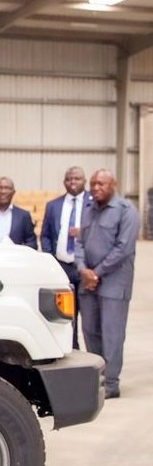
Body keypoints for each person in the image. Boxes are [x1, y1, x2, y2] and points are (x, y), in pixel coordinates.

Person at [76, 168, 138, 399]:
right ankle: (97, 380)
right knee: (90, 331)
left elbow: (124, 248)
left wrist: (96, 273)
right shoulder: (89, 209)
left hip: (114, 283)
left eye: (101, 184)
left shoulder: (126, 211)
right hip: (88, 282)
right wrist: (83, 270)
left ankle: (111, 383)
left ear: (113, 185)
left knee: (112, 333)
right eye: (93, 184)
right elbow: (79, 242)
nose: (95, 188)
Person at [40, 166, 90, 350]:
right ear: (64, 182)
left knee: (89, 316)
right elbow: (45, 234)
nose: (73, 182)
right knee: (65, 315)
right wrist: (50, 258)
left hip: (85, 267)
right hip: (61, 266)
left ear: (84, 181)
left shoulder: (93, 204)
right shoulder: (53, 205)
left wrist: (82, 232)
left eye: (77, 178)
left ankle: (93, 352)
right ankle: (72, 348)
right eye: (69, 179)